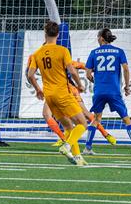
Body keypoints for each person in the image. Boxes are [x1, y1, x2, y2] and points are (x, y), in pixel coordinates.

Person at [27, 21, 88, 166]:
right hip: (62, 93)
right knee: (83, 123)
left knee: (68, 127)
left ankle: (78, 157)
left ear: (45, 33)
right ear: (58, 34)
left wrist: (38, 89)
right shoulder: (63, 50)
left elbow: (30, 75)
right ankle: (66, 146)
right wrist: (79, 84)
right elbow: (72, 70)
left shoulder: (37, 53)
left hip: (49, 96)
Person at [85, 28, 131, 156]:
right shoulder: (119, 51)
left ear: (101, 38)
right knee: (125, 118)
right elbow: (126, 69)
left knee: (96, 118)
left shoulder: (94, 52)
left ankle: (88, 147)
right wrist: (127, 87)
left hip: (99, 91)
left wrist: (97, 81)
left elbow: (88, 74)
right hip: (114, 91)